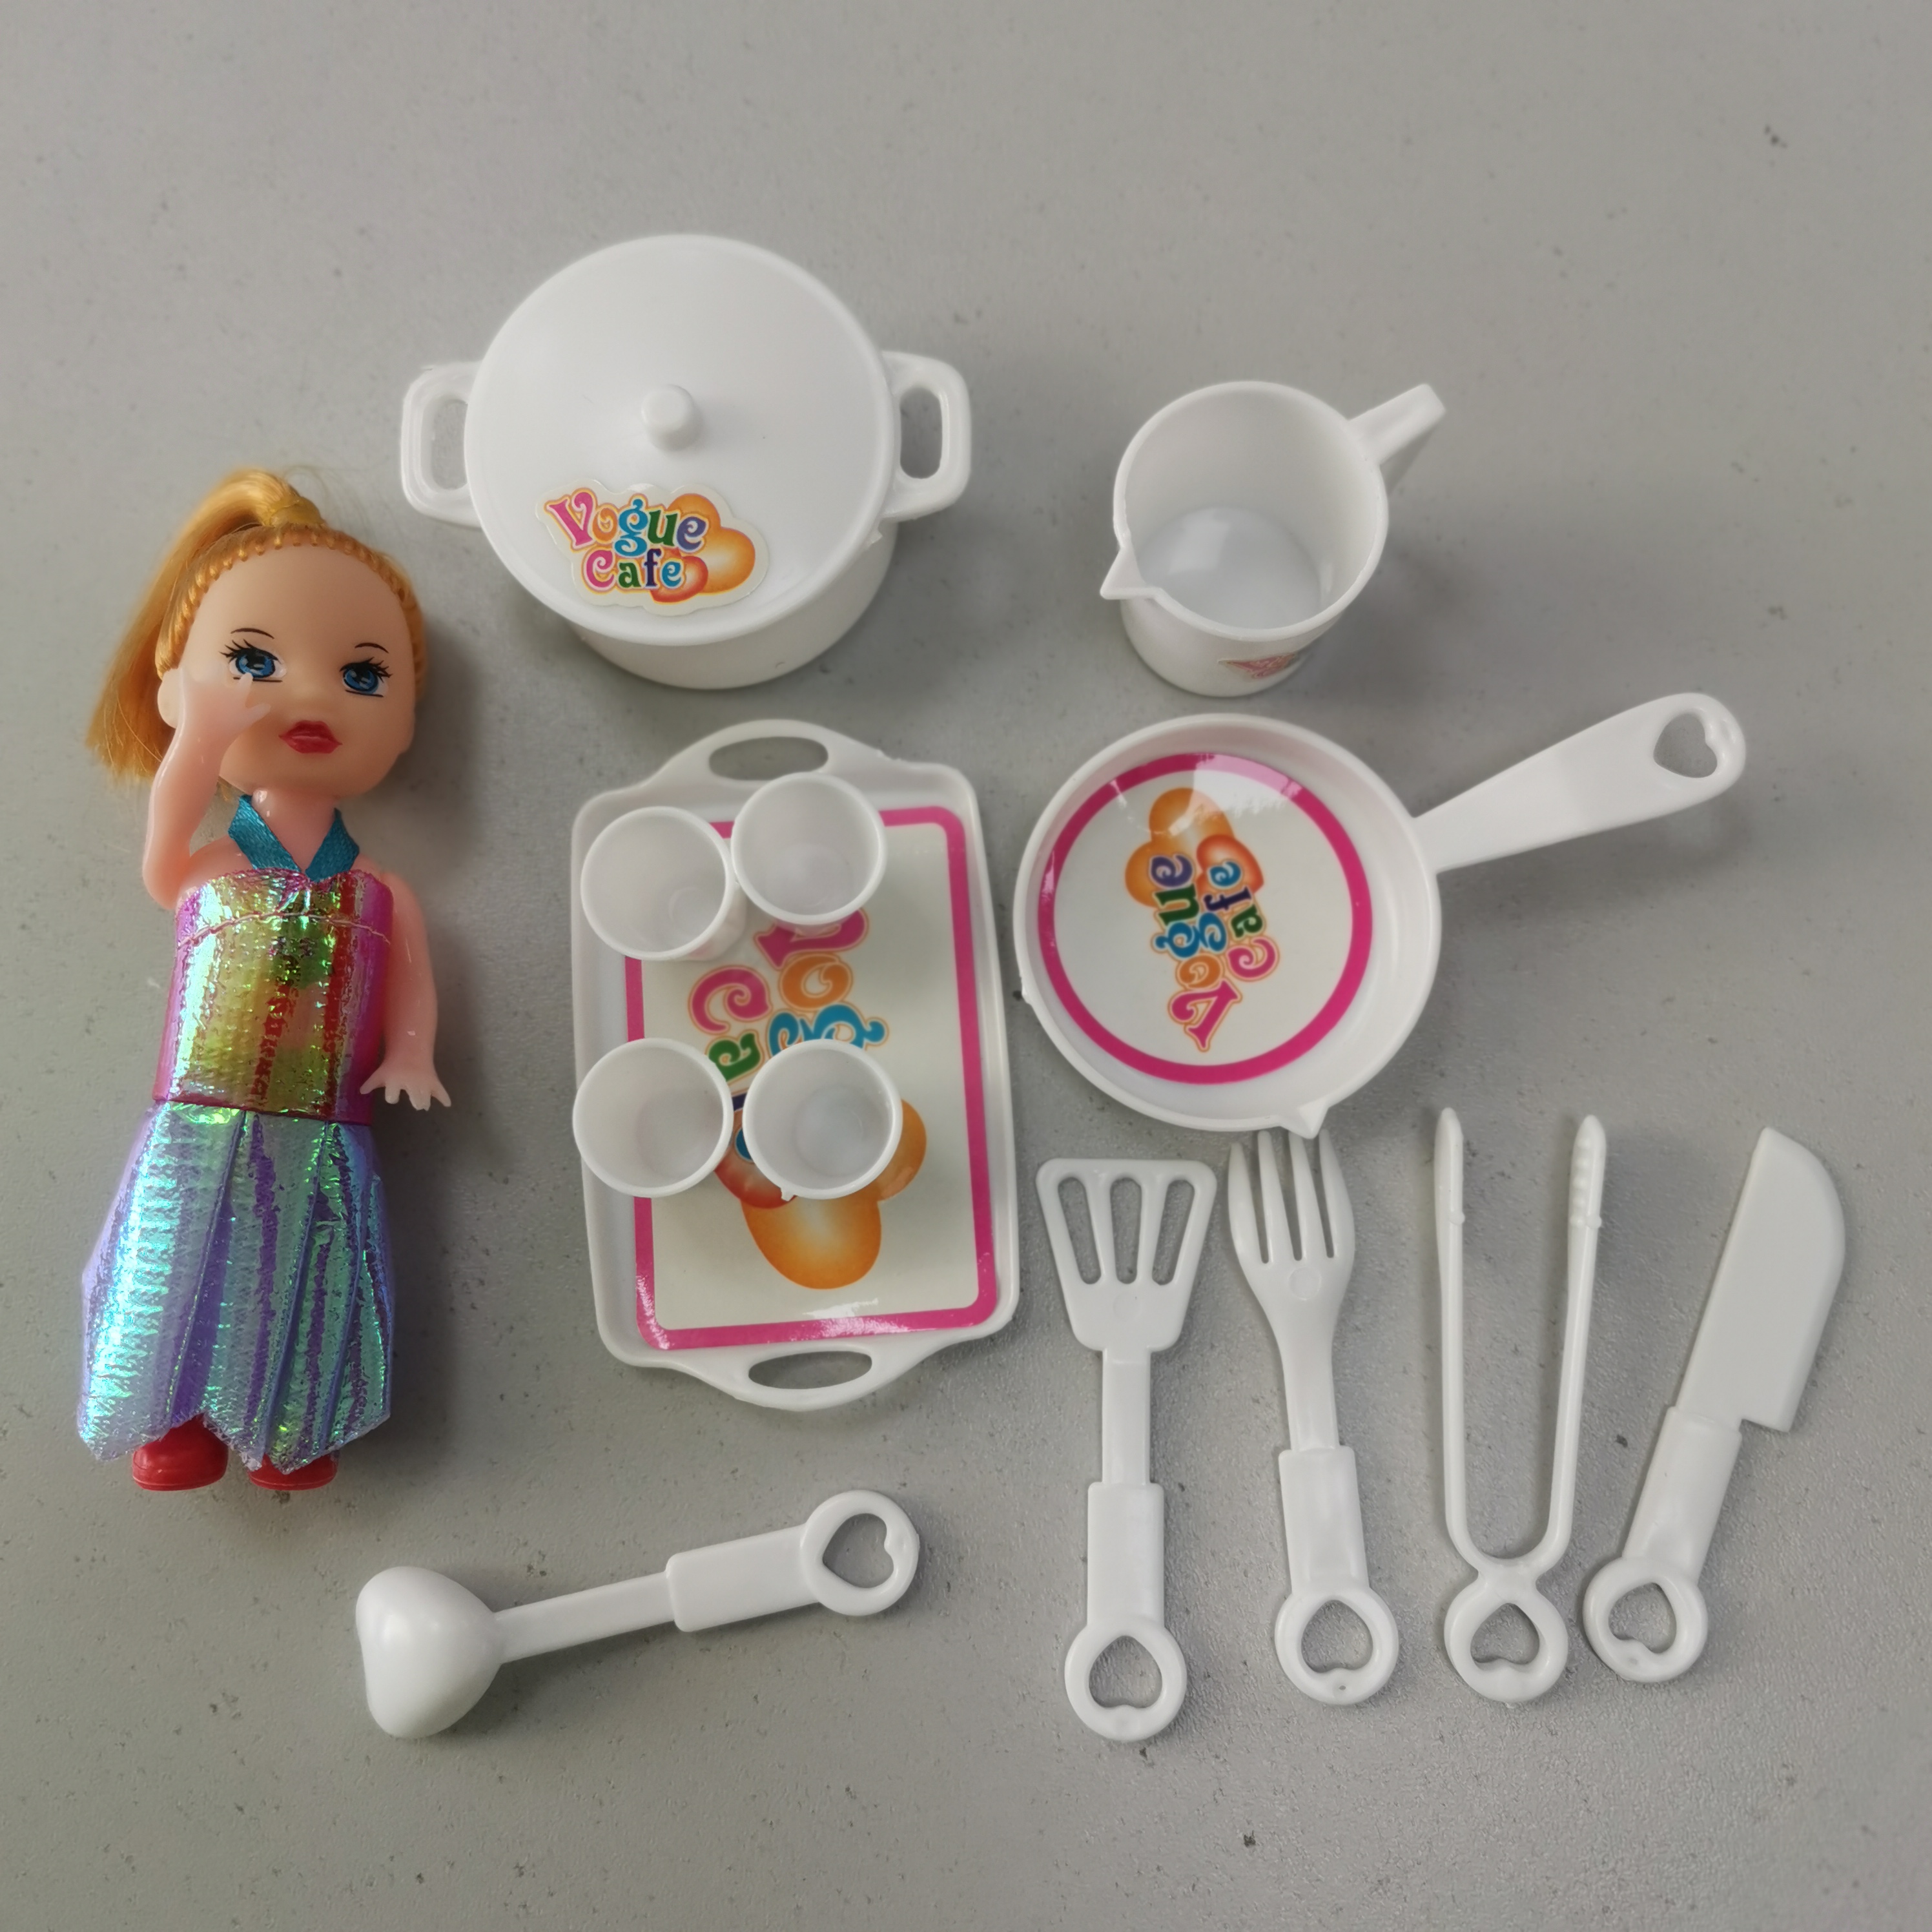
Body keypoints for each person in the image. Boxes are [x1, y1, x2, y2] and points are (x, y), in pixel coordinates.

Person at [79, 471, 447, 1492]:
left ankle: (295, 1428)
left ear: (406, 724)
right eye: (252, 662)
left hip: (326, 1121)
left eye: (363, 676)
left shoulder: (378, 892)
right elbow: (161, 859)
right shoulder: (210, 870)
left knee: (315, 1266)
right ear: (174, 689)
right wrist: (199, 742)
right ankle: (172, 1421)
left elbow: (412, 986)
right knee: (178, 1262)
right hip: (198, 1112)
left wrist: (411, 1052)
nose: (311, 696)